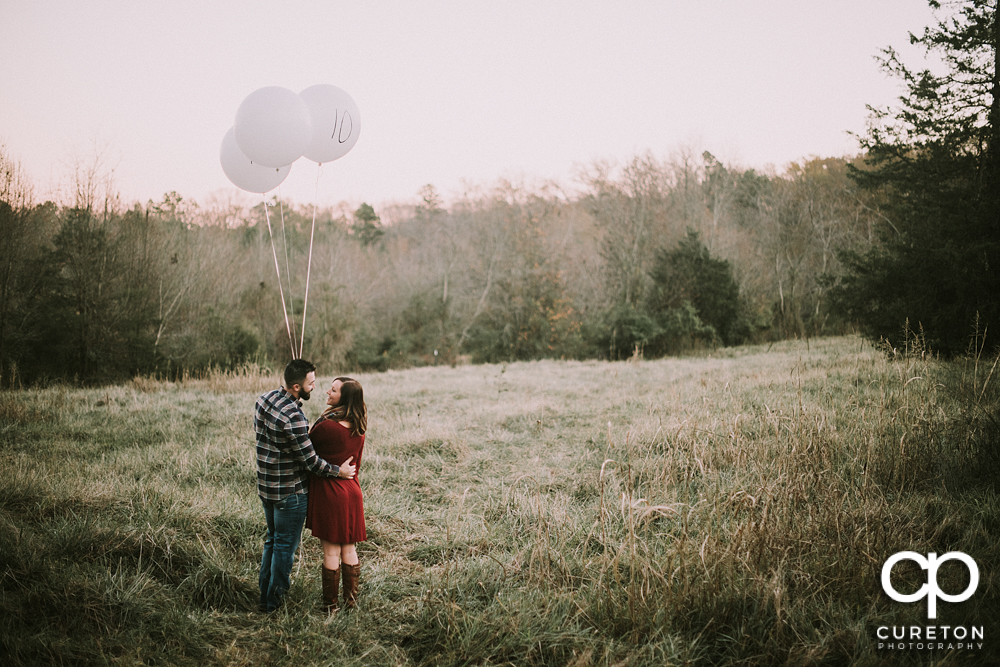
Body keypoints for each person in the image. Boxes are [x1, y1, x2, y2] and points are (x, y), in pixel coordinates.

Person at [254, 359, 356, 614]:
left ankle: (264, 596)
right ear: (298, 386)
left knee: (272, 541)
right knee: (284, 549)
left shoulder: (264, 400)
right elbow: (311, 462)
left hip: (267, 487)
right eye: (311, 383)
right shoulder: (296, 418)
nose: (315, 387)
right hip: (290, 493)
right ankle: (273, 605)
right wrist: (339, 471)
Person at [306, 376, 368, 612]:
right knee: (349, 550)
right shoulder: (359, 428)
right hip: (352, 492)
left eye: (333, 390)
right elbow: (357, 465)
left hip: (331, 492)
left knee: (331, 552)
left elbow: (307, 453)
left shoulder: (327, 427)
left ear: (345, 398)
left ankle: (330, 607)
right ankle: (351, 604)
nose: (327, 392)